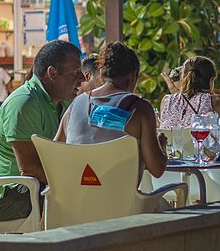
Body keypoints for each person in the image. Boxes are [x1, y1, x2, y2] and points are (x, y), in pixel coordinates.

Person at [57, 42, 169, 179]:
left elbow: (55, 151)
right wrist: (161, 147)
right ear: (134, 76)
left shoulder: (76, 104)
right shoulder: (140, 108)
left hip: (75, 197)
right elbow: (157, 170)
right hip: (122, 199)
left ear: (101, 73)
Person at [0, 40, 85, 184]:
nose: (82, 78)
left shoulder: (64, 101)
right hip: (11, 192)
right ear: (52, 73)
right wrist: (74, 182)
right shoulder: (24, 103)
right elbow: (30, 169)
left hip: (39, 186)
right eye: (75, 72)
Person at [158, 57, 220, 129]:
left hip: (170, 156)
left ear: (183, 77)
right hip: (203, 156)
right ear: (211, 80)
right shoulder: (214, 101)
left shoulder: (166, 101)